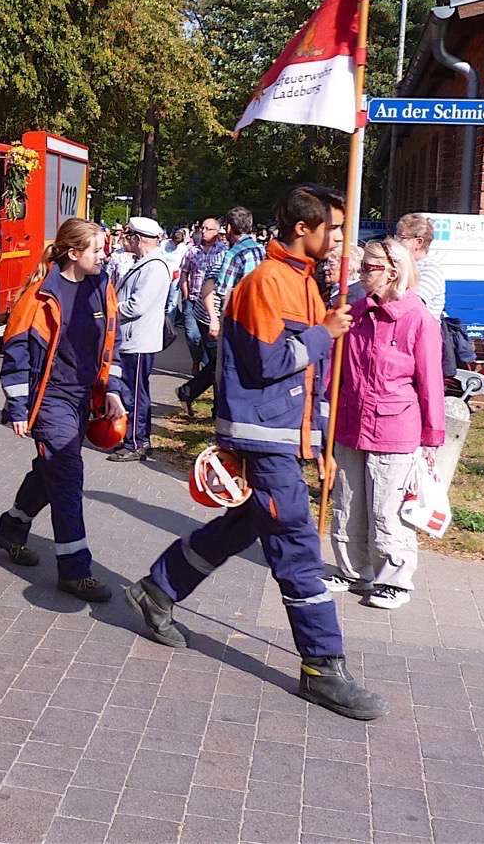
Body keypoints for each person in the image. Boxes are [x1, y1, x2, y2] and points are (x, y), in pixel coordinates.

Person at [125, 183, 386, 721]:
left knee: (245, 524)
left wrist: (320, 442)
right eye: (332, 228)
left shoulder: (303, 282)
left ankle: (158, 590)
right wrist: (324, 333)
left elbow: (311, 378)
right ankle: (321, 666)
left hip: (284, 436)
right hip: (262, 436)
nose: (339, 238)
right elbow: (269, 363)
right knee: (295, 545)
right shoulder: (268, 282)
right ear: (302, 228)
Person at [0, 217, 127, 603]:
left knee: (51, 468)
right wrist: (18, 407)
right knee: (68, 475)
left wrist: (112, 389)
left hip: (83, 397)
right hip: (49, 400)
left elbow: (112, 345)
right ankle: (75, 570)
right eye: (98, 249)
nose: (106, 254)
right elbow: (16, 353)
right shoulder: (40, 295)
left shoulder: (102, 287)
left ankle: (12, 528)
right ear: (73, 253)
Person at [324, 238, 445, 611]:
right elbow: (335, 365)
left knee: (386, 508)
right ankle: (351, 569)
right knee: (347, 501)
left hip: (395, 427)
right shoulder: (355, 313)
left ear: (393, 271)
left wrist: (432, 436)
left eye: (369, 268)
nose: (362, 273)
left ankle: (395, 578)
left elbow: (430, 380)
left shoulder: (418, 319)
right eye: (362, 267)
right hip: (350, 421)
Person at [176, 206, 262, 418]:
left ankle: (190, 393)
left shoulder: (234, 252)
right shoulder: (257, 250)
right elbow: (214, 292)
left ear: (229, 228)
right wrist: (215, 322)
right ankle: (216, 409)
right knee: (221, 363)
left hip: (232, 317)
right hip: (212, 315)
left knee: (220, 363)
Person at [109, 216, 168, 463]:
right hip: (134, 338)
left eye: (129, 236)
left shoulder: (154, 267)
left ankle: (136, 441)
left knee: (135, 393)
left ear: (137, 238)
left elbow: (137, 305)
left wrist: (111, 309)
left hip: (139, 339)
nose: (125, 240)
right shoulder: (146, 263)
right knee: (134, 391)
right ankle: (136, 438)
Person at [177, 218, 225, 376]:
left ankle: (207, 368)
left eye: (207, 229)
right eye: (201, 228)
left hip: (211, 302)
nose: (203, 231)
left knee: (209, 339)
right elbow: (184, 272)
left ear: (217, 232)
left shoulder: (223, 252)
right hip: (193, 299)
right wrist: (185, 294)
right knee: (192, 335)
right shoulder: (192, 251)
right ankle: (196, 361)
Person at [394, 213, 445, 317]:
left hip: (421, 331)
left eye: (402, 237)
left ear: (419, 242)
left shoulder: (430, 270)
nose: (396, 242)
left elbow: (413, 304)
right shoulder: (401, 265)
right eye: (397, 237)